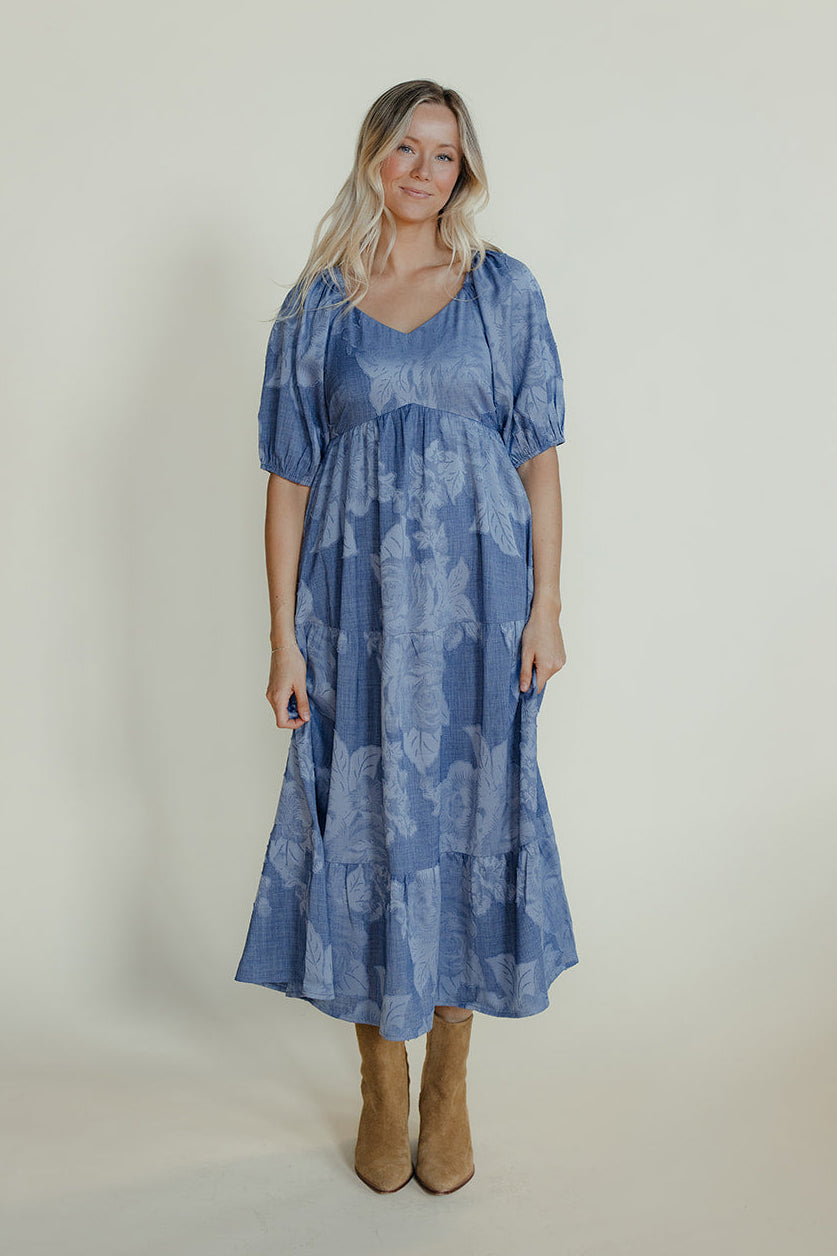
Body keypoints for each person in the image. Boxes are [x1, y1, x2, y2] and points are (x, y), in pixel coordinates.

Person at [235, 79, 579, 1195]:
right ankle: (383, 1078)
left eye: (446, 153)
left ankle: (449, 1084)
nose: (425, 169)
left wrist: (548, 605)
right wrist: (283, 636)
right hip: (355, 612)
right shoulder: (315, 306)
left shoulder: (502, 294)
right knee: (368, 821)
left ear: (463, 172)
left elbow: (539, 459)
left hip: (481, 610)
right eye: (407, 147)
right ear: (372, 155)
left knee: (470, 813)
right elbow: (288, 481)